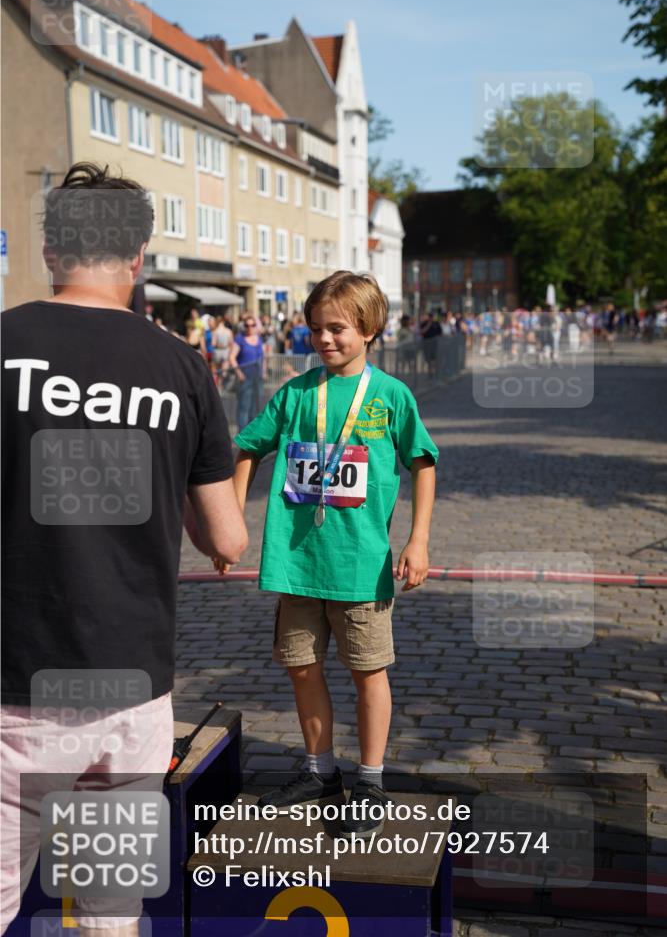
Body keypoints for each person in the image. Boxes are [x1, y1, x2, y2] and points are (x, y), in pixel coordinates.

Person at [0, 162, 248, 936]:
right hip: (131, 698)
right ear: (137, 257)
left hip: (15, 688)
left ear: (49, 248)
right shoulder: (180, 367)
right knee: (108, 917)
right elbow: (227, 540)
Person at [226, 271, 438, 838]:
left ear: (368, 329)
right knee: (301, 667)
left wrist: (417, 539)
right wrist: (229, 517)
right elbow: (247, 446)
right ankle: (320, 770)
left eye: (337, 328)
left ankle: (370, 780)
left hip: (360, 565)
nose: (324, 339)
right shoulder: (296, 393)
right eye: (315, 328)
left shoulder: (391, 395)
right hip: (297, 562)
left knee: (369, 671)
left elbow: (423, 462)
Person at [229, 314, 265, 431]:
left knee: (256, 406)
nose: (250, 327)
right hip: (244, 377)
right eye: (247, 325)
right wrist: (239, 373)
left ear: (255, 326)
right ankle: (242, 434)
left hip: (257, 377)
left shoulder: (259, 339)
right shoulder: (240, 339)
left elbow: (262, 357)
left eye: (252, 325)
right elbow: (232, 358)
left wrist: (264, 372)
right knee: (244, 406)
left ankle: (252, 433)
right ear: (244, 326)